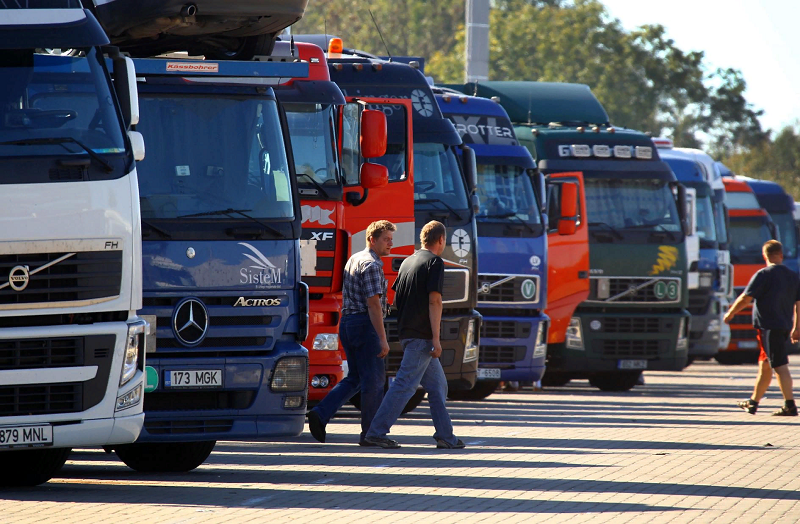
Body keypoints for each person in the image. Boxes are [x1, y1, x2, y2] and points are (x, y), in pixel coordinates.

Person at [364, 220, 465, 449]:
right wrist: (436, 339)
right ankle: (376, 432)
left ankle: (445, 436)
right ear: (441, 240)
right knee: (404, 386)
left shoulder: (408, 261)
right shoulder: (435, 263)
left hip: (408, 333)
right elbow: (435, 300)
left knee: (438, 386)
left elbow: (397, 300)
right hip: (423, 337)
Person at [307, 220, 395, 444]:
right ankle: (371, 434)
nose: (391, 244)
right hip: (365, 325)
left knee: (355, 378)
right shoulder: (372, 265)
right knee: (374, 382)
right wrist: (383, 339)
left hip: (347, 323)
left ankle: (320, 412)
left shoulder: (354, 259)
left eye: (391, 239)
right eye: (386, 239)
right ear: (372, 239)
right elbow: (373, 304)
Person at [724, 240, 800, 416]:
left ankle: (790, 405)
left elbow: (745, 298)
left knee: (779, 366)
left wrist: (731, 313)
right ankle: (753, 402)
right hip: (783, 326)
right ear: (781, 255)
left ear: (764, 255)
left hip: (768, 327)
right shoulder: (793, 275)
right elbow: (798, 304)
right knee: (765, 365)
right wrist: (797, 327)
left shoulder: (763, 274)